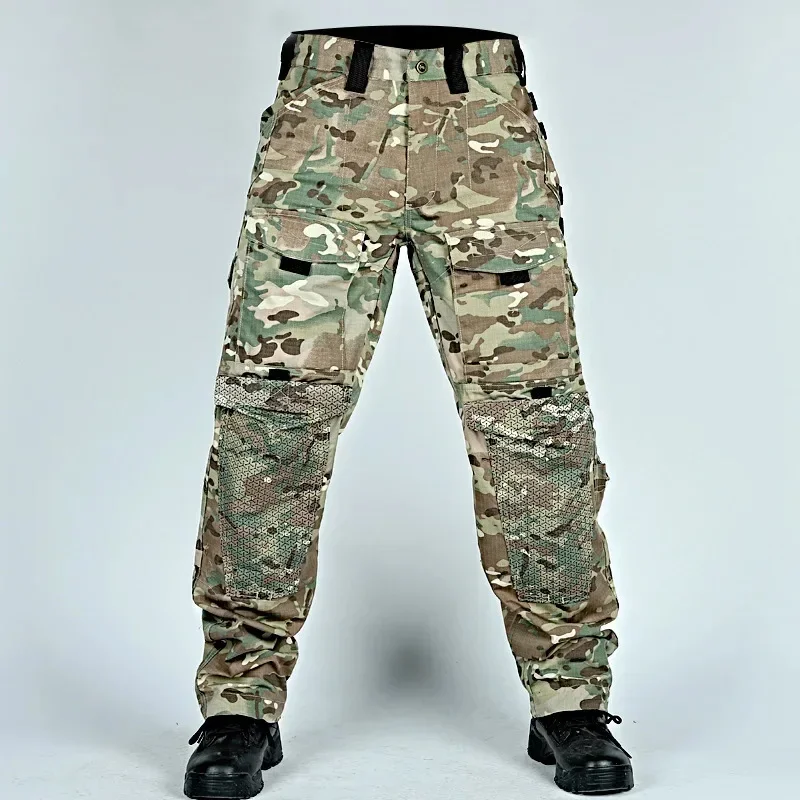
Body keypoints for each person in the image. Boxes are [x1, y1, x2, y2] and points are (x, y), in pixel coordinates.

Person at [184, 25, 632, 798]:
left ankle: (570, 695)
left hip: (481, 117)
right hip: (327, 120)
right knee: (273, 419)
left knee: (533, 419)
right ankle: (240, 700)